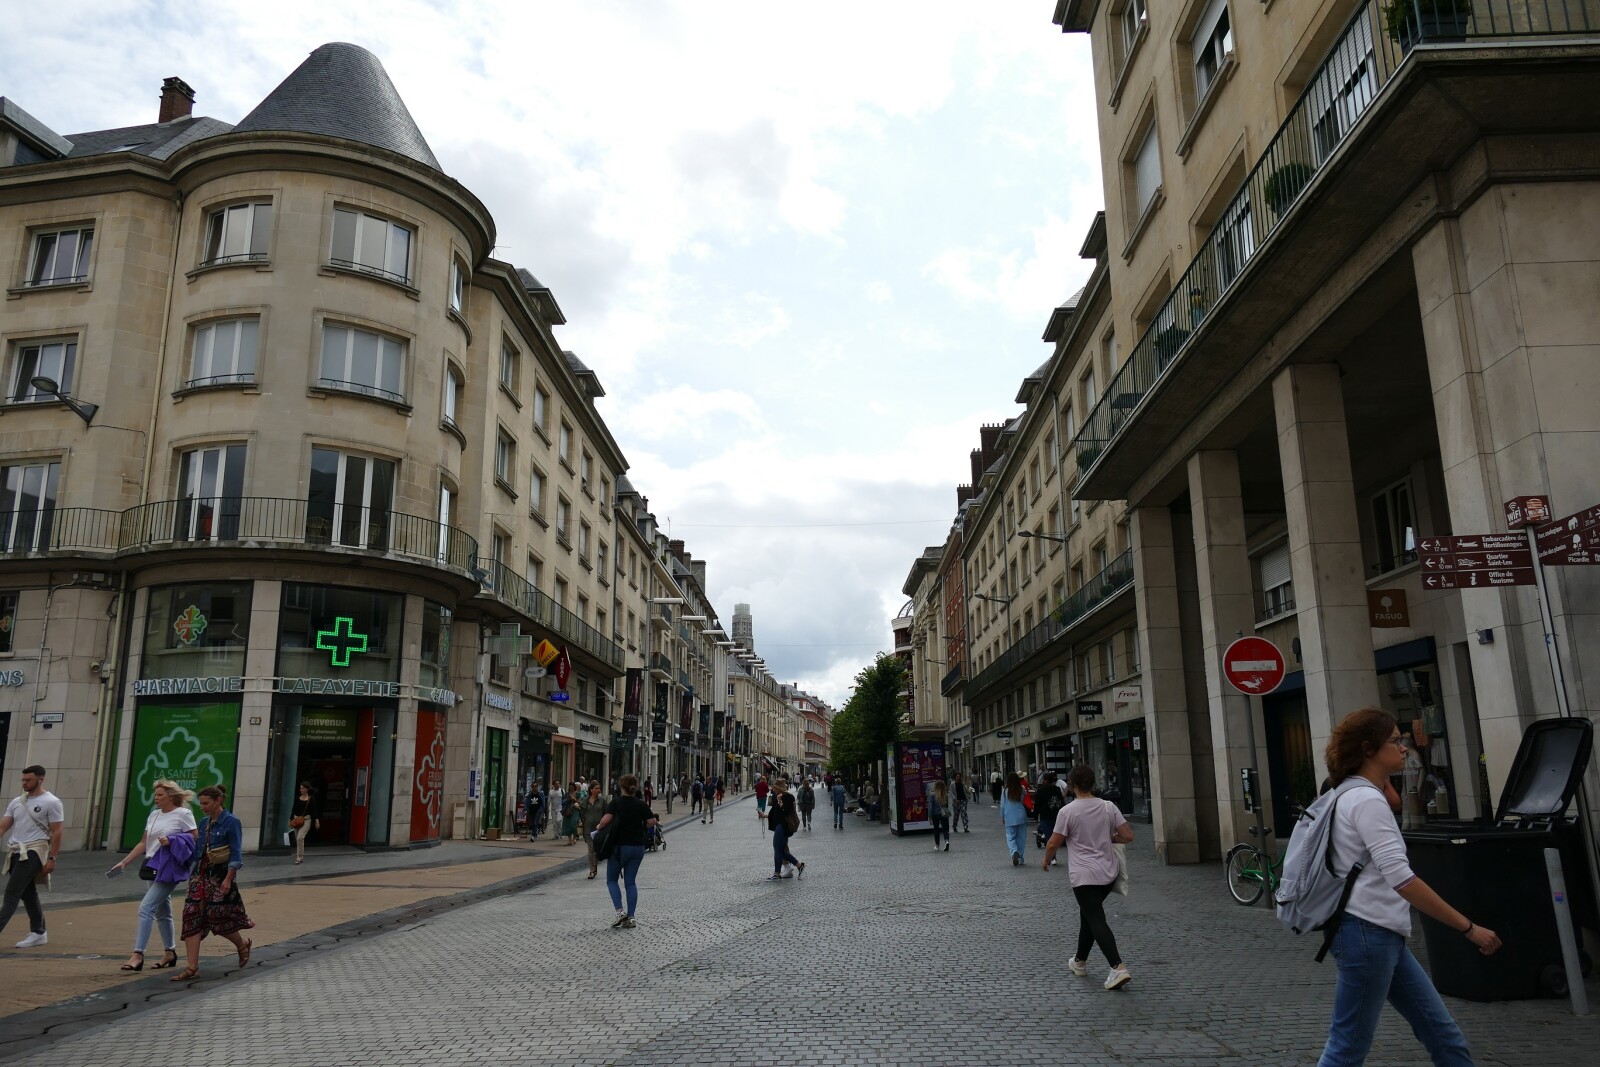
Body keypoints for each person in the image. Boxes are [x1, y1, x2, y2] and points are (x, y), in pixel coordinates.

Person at [1315, 708, 1499, 1066]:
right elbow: (1403, 880)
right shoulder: (1366, 801)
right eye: (1395, 740)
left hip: (1380, 934)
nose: (1404, 747)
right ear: (1369, 749)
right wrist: (1469, 927)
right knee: (1346, 1049)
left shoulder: (1349, 793)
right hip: (1368, 935)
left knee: (1446, 1040)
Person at [1043, 765, 1134, 991]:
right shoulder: (1108, 807)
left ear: (1072, 785)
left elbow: (1054, 842)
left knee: (1095, 919)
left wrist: (1046, 860)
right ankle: (1080, 961)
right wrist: (1109, 836)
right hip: (1107, 874)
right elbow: (1127, 835)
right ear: (1092, 783)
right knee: (1089, 916)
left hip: (1084, 876)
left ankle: (1117, 967)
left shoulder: (1068, 812)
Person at [111, 779, 198, 971]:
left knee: (146, 908)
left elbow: (194, 837)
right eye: (155, 795)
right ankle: (170, 952)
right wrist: (125, 862)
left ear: (171, 796)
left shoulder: (183, 814)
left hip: (170, 867)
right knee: (162, 911)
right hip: (153, 865)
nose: (156, 798)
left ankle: (138, 954)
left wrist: (172, 840)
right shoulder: (154, 815)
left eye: (160, 795)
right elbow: (144, 843)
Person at [170, 785, 253, 982]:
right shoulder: (204, 822)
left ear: (218, 801)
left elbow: (236, 852)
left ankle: (242, 945)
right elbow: (198, 852)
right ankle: (192, 967)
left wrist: (228, 879)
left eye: (206, 803)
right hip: (200, 875)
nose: (202, 807)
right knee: (192, 916)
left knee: (219, 917)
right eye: (201, 803)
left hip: (220, 875)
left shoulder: (231, 822)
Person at [1, 765, 64, 948]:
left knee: (12, 894)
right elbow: (3, 826)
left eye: (28, 780)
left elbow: (57, 831)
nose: (24, 783)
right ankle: (39, 932)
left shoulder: (51, 802)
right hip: (15, 851)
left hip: (35, 851)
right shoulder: (17, 802)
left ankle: (38, 931)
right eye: (23, 780)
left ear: (40, 779)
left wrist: (52, 858)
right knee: (28, 893)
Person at [593, 775, 656, 928]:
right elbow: (651, 822)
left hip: (619, 848)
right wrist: (640, 826)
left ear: (622, 787)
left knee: (612, 880)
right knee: (630, 882)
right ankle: (632, 917)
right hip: (637, 848)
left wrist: (598, 828)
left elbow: (605, 821)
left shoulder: (616, 803)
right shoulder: (641, 804)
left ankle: (620, 912)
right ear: (635, 787)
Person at [765, 777, 804, 880]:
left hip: (783, 827)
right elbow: (774, 813)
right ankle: (799, 865)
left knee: (777, 850)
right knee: (781, 850)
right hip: (779, 826)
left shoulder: (788, 797)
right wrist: (763, 815)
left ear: (779, 788)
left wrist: (779, 801)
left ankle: (777, 874)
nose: (773, 790)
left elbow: (785, 810)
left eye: (775, 788)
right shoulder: (777, 797)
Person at [1000, 772, 1029, 867]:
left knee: (1010, 836)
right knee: (1021, 837)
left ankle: (1014, 851)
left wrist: (1002, 816)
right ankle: (1020, 857)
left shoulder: (1005, 791)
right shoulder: (1021, 789)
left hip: (1009, 816)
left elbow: (1002, 806)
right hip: (1021, 815)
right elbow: (1023, 799)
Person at [580, 782, 606, 879]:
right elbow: (581, 814)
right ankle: (592, 870)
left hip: (599, 829)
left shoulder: (602, 801)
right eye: (596, 788)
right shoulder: (585, 801)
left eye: (599, 788)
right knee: (591, 849)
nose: (598, 790)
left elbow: (606, 813)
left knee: (596, 849)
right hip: (588, 829)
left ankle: (595, 866)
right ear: (591, 790)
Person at [290, 781, 319, 864]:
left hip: (306, 820)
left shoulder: (311, 799)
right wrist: (290, 819)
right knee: (297, 839)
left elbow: (314, 811)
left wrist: (316, 821)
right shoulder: (297, 798)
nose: (301, 790)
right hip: (296, 820)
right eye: (300, 788)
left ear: (307, 789)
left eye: (302, 788)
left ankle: (299, 857)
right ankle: (300, 856)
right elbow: (293, 809)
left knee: (300, 837)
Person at [930, 780, 950, 852]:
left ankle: (937, 845)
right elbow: (946, 806)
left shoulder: (933, 795)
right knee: (945, 829)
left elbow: (930, 807)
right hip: (943, 814)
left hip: (935, 814)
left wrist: (929, 816)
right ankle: (947, 841)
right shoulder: (945, 795)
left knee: (936, 830)